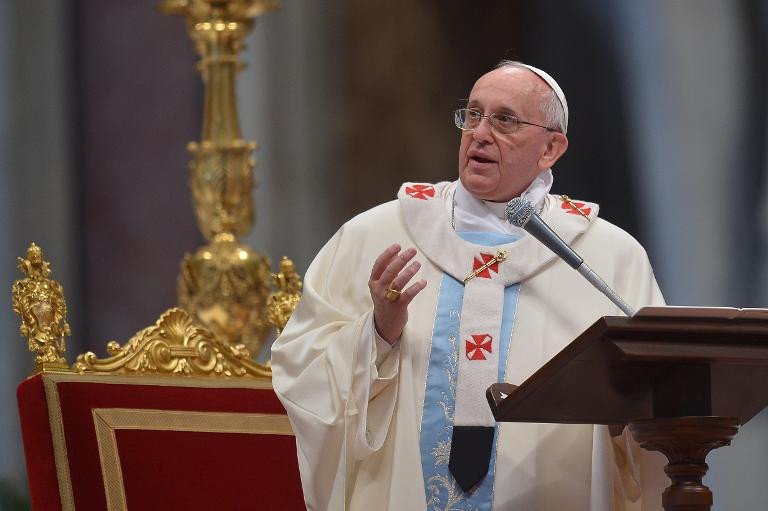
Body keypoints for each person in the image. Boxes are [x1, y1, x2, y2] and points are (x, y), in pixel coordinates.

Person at [272, 60, 665, 511]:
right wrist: (377, 334)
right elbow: (300, 369)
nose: (479, 133)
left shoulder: (607, 257)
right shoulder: (376, 235)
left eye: (504, 120)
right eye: (473, 115)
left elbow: (652, 401)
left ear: (551, 148)